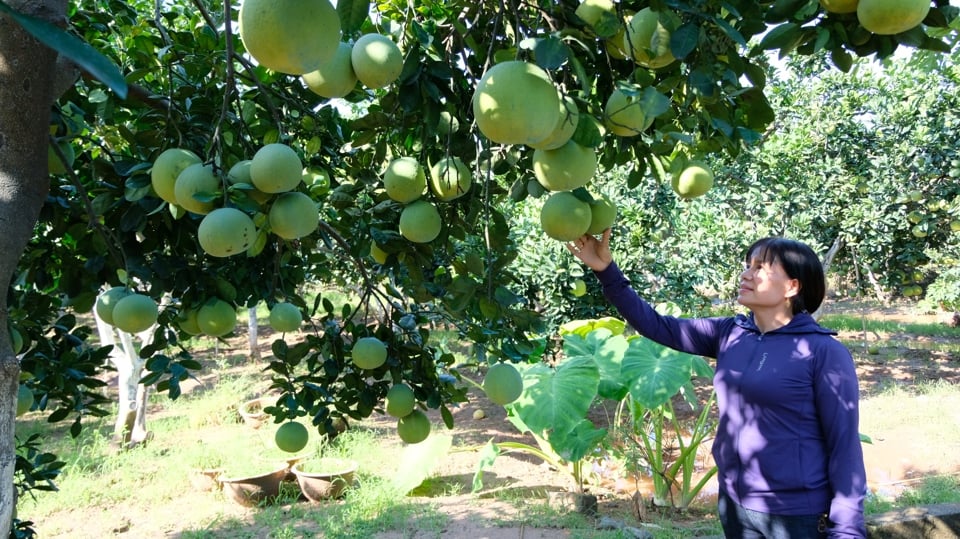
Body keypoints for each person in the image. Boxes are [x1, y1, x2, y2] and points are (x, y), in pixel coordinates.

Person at [567, 229, 866, 539]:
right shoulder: (730, 333)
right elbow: (655, 325)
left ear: (792, 286)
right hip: (736, 505)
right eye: (748, 265)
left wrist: (847, 530)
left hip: (795, 514)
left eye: (760, 267)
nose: (746, 274)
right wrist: (605, 271)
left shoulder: (822, 352)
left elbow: (843, 445)